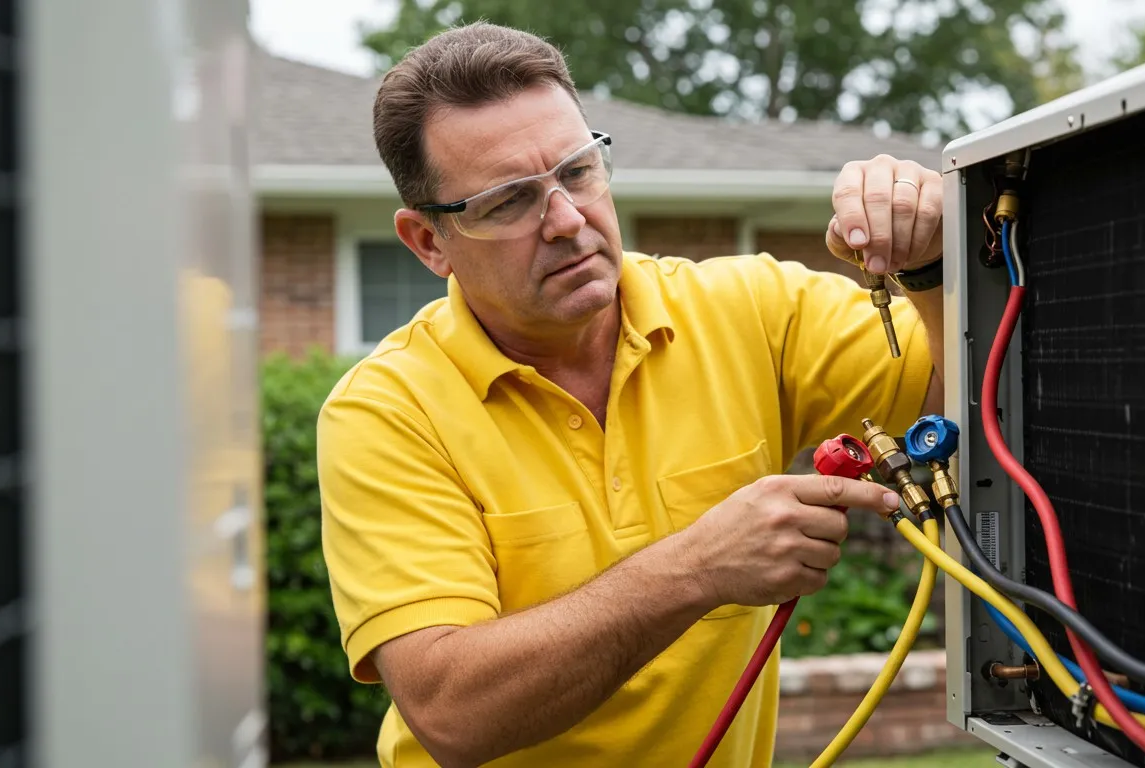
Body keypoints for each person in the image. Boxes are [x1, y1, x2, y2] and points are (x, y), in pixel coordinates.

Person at [317, 21, 947, 768]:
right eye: (509, 201)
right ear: (428, 243)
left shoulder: (751, 310)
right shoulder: (387, 412)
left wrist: (934, 259)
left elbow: (970, 397)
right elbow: (452, 712)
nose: (566, 220)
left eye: (578, 171)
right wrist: (699, 567)